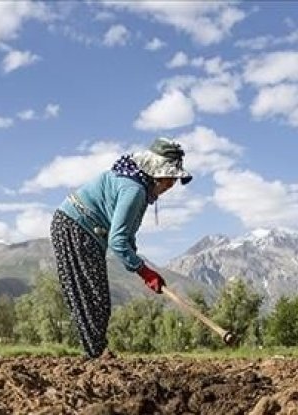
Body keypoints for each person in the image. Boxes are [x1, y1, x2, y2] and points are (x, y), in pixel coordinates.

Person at [50, 137, 192, 358]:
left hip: (83, 229)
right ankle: (96, 357)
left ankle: (95, 355)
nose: (171, 184)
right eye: (169, 178)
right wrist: (144, 271)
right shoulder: (133, 190)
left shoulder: (139, 186)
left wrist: (140, 266)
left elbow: (126, 234)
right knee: (94, 299)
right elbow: (118, 241)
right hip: (75, 226)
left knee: (97, 300)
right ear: (156, 172)